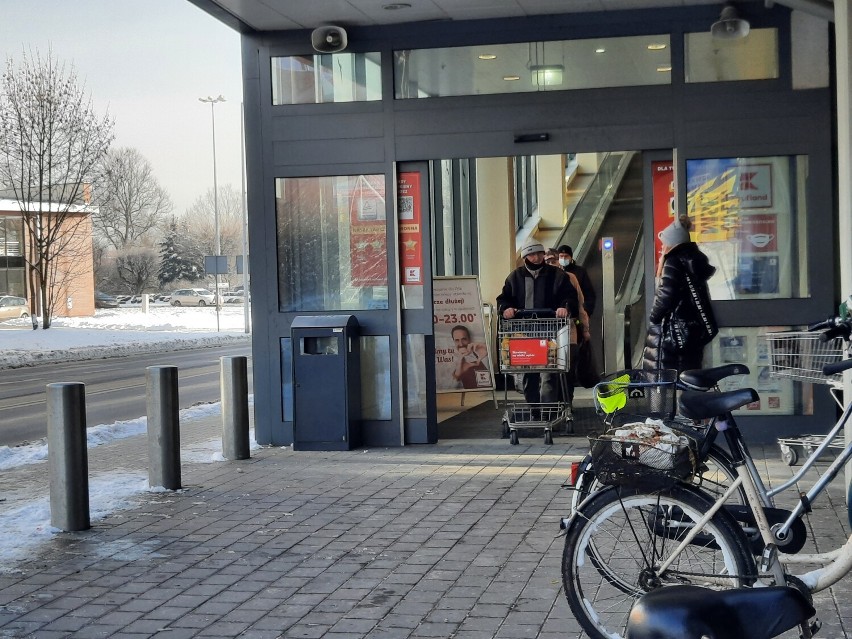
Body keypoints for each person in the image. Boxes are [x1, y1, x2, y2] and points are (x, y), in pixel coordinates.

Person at [497, 238, 579, 404]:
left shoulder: (557, 275)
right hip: (524, 334)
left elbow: (570, 296)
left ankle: (547, 411)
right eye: (532, 254)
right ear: (526, 256)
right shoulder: (515, 277)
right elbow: (504, 298)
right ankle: (534, 409)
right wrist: (506, 309)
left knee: (550, 373)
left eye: (539, 253)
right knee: (529, 374)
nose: (537, 257)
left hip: (551, 333)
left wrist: (565, 307)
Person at [641, 217, 718, 374]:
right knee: (687, 378)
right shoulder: (692, 261)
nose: (663, 247)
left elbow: (666, 295)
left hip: (672, 335)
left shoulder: (673, 262)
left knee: (664, 384)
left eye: (665, 244)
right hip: (690, 333)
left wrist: (654, 318)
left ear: (672, 244)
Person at [557, 244, 596, 316]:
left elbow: (589, 292)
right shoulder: (556, 272)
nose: (563, 258)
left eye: (566, 256)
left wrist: (587, 310)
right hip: (559, 312)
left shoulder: (580, 272)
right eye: (561, 256)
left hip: (577, 311)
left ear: (571, 257)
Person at [451, 324, 490, 389]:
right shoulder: (450, 362)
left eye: (464, 339)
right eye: (457, 340)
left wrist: (486, 355)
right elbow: (448, 390)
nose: (461, 344)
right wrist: (458, 374)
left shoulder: (482, 355)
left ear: (469, 340)